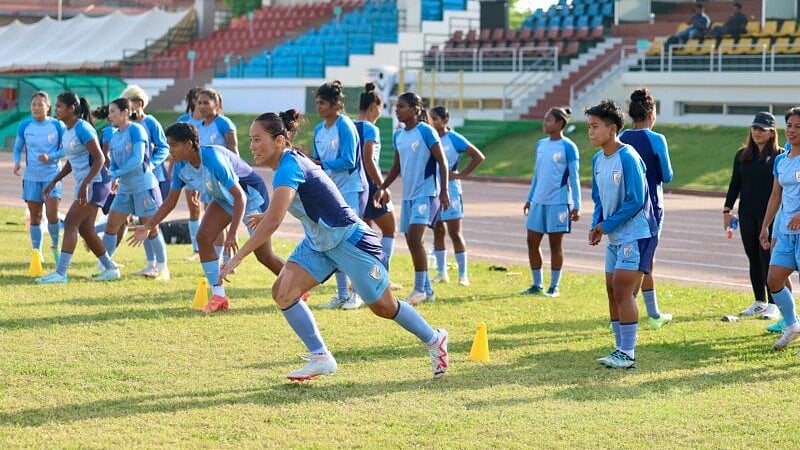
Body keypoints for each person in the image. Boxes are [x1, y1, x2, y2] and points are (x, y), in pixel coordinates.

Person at [218, 110, 449, 381]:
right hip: (319, 243)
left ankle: (435, 339)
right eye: (251, 140)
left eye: (258, 139)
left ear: (280, 141)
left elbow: (273, 223)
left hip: (351, 242)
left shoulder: (290, 166)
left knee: (384, 307)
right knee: (283, 292)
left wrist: (237, 258)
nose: (252, 146)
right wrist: (266, 215)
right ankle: (320, 357)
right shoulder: (288, 165)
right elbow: (283, 208)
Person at [128, 122, 285, 313]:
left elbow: (239, 197)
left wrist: (232, 234)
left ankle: (294, 286)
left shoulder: (213, 159)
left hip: (250, 196)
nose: (170, 152)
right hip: (224, 198)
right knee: (203, 237)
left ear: (188, 145)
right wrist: (148, 226)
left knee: (264, 256)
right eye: (168, 146)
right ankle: (219, 296)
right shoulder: (180, 167)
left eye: (174, 146)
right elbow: (170, 202)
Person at [587, 99, 658, 369]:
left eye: (595, 126)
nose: (590, 132)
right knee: (611, 290)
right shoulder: (597, 159)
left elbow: (636, 200)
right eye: (589, 127)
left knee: (623, 290)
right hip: (615, 234)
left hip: (636, 233)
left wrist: (606, 225)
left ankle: (628, 353)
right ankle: (619, 348)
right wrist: (597, 224)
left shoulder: (627, 156)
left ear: (612, 128)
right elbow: (598, 199)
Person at [36, 92, 120, 283]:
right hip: (86, 184)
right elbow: (72, 161)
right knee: (85, 230)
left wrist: (85, 184)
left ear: (71, 109)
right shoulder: (67, 131)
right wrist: (54, 181)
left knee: (71, 223)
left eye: (59, 106)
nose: (55, 109)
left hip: (96, 184)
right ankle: (111, 268)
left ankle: (60, 273)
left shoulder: (83, 129)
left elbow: (100, 159)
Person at [376, 92, 450, 306]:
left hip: (426, 194)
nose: (397, 110)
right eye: (396, 106)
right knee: (411, 241)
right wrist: (382, 187)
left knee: (416, 239)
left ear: (415, 109)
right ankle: (427, 289)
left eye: (401, 106)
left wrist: (444, 190)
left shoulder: (426, 131)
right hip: (408, 196)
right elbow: (396, 168)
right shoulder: (399, 135)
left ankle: (419, 289)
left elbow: (442, 162)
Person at [619, 88, 674, 329]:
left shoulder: (620, 137)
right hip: (651, 208)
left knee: (632, 258)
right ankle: (630, 309)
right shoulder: (656, 139)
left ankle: (652, 313)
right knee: (643, 260)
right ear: (651, 113)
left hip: (624, 207)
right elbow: (667, 175)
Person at [311, 80, 368, 310]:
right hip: (330, 192)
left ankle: (358, 294)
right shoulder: (318, 129)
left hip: (349, 190)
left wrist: (322, 163)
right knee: (333, 242)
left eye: (322, 103)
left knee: (350, 243)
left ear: (336, 104)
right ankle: (342, 294)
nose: (318, 107)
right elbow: (317, 160)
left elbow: (348, 160)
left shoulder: (344, 125)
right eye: (317, 102)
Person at [99, 98, 168, 281]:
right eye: (109, 111)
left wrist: (116, 173)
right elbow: (113, 160)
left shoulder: (137, 130)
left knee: (151, 229)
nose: (109, 115)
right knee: (111, 226)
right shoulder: (114, 135)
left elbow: (138, 159)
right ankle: (106, 266)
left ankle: (162, 269)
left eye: (113, 111)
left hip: (143, 186)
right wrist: (115, 175)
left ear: (125, 112)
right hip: (125, 188)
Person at [724, 112, 782, 322]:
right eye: (755, 128)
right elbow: (734, 184)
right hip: (747, 214)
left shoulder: (780, 156)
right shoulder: (742, 155)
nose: (757, 132)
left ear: (771, 132)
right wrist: (727, 209)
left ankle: (775, 304)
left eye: (762, 129)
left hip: (770, 216)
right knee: (753, 258)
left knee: (768, 259)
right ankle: (760, 301)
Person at [521, 107, 580, 297]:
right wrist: (529, 198)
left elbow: (574, 177)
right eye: (545, 119)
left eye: (549, 120)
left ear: (560, 123)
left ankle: (554, 286)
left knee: (555, 245)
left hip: (559, 203)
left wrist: (577, 204)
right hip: (538, 201)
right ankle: (537, 284)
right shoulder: (541, 145)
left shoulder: (568, 147)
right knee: (532, 241)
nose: (545, 123)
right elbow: (537, 175)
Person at [428, 105, 485, 286]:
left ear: (445, 121)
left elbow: (478, 156)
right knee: (437, 231)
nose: (433, 122)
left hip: (451, 190)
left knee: (455, 233)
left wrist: (460, 175)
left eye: (436, 119)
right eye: (431, 118)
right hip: (433, 189)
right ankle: (442, 272)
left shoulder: (454, 138)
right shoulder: (430, 138)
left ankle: (463, 275)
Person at [759, 107, 800, 350]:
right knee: (774, 279)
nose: (792, 131)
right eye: (790, 126)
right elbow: (776, 194)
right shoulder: (781, 160)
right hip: (785, 233)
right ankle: (793, 324)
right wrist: (766, 225)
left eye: (798, 127)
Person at [121, 85, 171, 278]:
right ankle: (151, 264)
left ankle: (163, 266)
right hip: (135, 181)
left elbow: (163, 147)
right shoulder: (129, 126)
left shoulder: (150, 122)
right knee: (144, 224)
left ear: (139, 103)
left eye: (129, 103)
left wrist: (152, 164)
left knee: (151, 223)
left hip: (153, 179)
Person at [12, 91, 65, 264]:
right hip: (32, 177)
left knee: (52, 215)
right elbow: (18, 147)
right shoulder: (25, 125)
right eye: (33, 104)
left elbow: (66, 149)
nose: (36, 107)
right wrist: (17, 162)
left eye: (40, 104)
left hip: (52, 176)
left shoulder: (58, 125)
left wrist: (51, 156)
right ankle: (37, 252)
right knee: (35, 216)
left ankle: (55, 247)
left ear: (48, 107)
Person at [355, 82, 397, 272]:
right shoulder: (371, 129)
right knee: (389, 230)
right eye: (380, 108)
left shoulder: (349, 125)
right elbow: (369, 160)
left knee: (367, 234)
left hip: (355, 186)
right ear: (373, 107)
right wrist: (383, 186)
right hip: (371, 185)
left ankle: (366, 276)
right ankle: (383, 276)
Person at [177, 86, 204, 261]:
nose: (201, 104)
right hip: (188, 170)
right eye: (198, 99)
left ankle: (221, 249)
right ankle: (196, 249)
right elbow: (175, 147)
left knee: (212, 208)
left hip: (207, 169)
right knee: (193, 208)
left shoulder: (211, 121)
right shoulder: (183, 120)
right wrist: (172, 168)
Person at [197, 88, 237, 154]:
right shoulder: (198, 126)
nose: (202, 106)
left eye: (206, 103)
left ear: (216, 105)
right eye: (199, 103)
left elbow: (234, 153)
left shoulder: (224, 123)